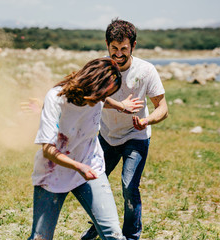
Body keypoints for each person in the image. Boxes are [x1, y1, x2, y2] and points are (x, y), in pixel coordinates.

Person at [28, 57, 144, 240]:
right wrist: (78, 167)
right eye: (101, 94)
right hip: (53, 172)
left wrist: (121, 106)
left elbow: (103, 100)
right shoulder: (56, 98)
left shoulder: (98, 96)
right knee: (40, 237)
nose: (101, 99)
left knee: (113, 234)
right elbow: (47, 150)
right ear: (92, 84)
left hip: (90, 165)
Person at [81, 18, 169, 240]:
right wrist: (120, 106)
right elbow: (89, 95)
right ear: (107, 44)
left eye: (124, 49)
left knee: (129, 187)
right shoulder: (100, 69)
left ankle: (131, 237)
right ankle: (99, 227)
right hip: (106, 136)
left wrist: (147, 121)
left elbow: (163, 108)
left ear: (134, 46)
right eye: (114, 49)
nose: (118, 54)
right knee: (95, 185)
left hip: (136, 135)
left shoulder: (146, 70)